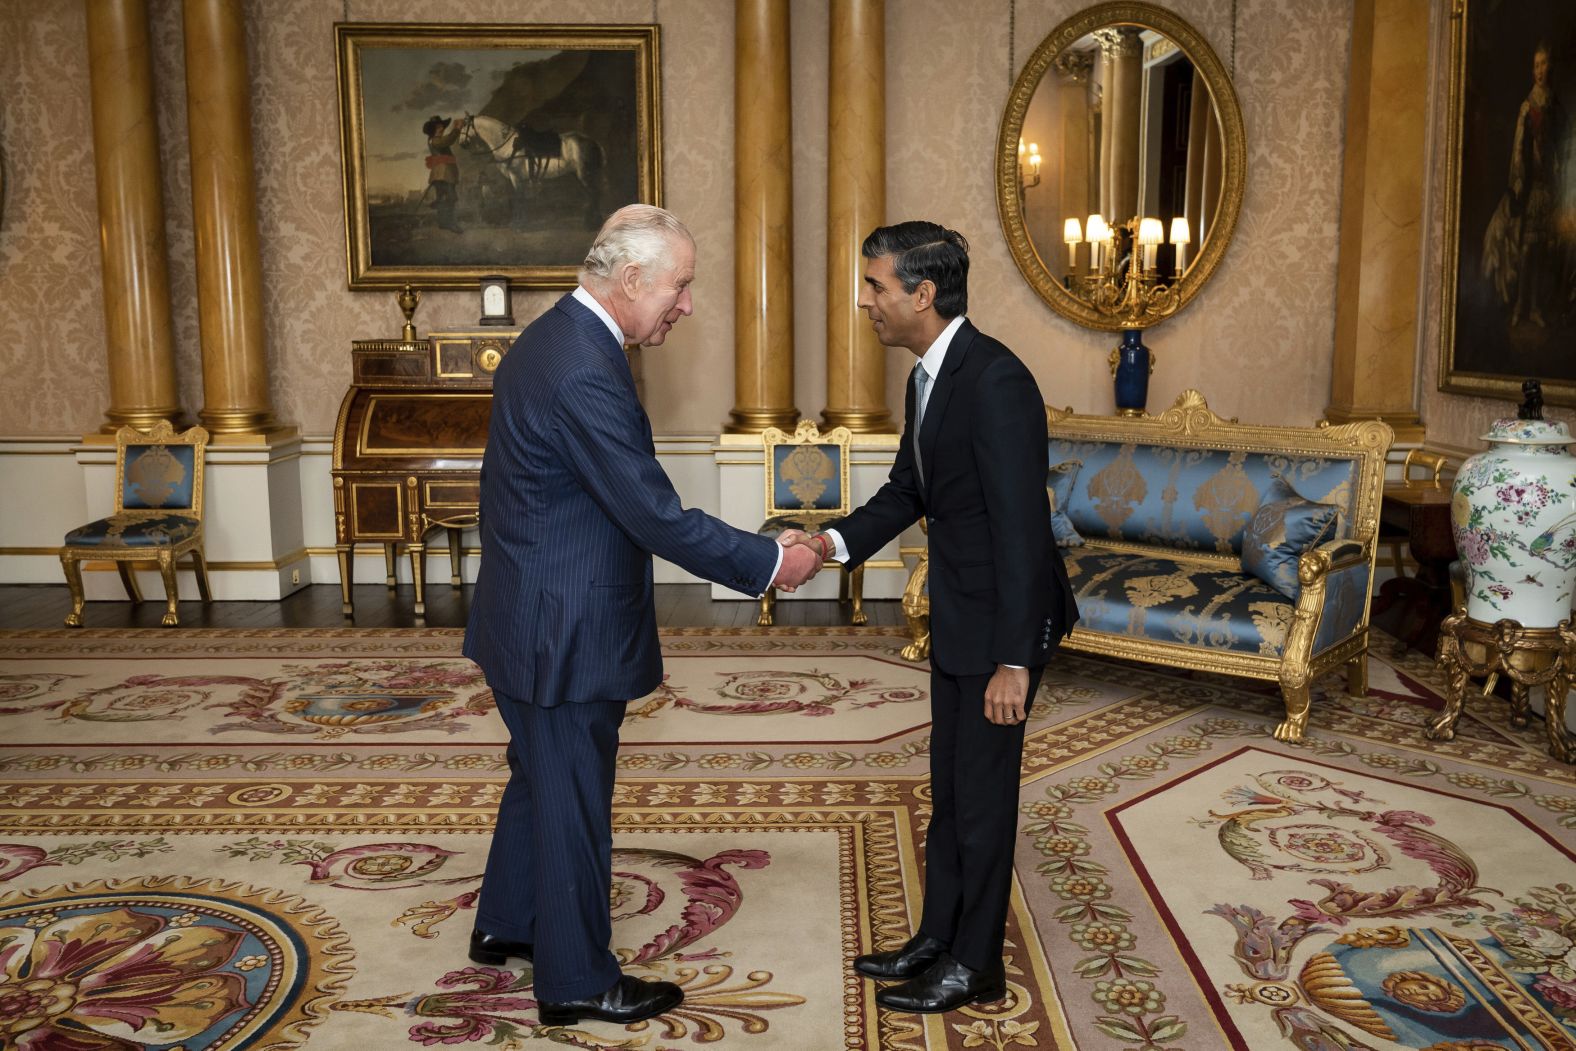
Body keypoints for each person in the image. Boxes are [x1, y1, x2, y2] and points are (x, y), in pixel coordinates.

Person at [463, 204, 821, 1025]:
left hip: (529, 609)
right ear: (630, 281)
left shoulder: (556, 335)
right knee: (572, 799)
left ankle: (509, 922)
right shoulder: (584, 366)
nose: (687, 304)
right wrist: (771, 560)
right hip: (562, 627)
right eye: (681, 285)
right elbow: (654, 514)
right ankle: (578, 980)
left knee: (538, 776)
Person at [788, 221, 1078, 1014]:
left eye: (876, 285)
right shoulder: (927, 375)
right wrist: (831, 541)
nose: (865, 300)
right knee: (952, 792)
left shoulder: (996, 381)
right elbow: (910, 491)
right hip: (962, 616)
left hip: (1001, 631)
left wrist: (1016, 659)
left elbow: (1024, 528)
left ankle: (975, 963)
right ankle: (937, 938)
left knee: (983, 802)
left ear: (923, 293)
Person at [423, 114, 465, 233]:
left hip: (441, 174)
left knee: (442, 198)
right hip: (444, 174)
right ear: (434, 130)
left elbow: (446, 139)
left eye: (442, 126)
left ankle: (443, 223)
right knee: (450, 198)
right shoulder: (436, 141)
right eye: (439, 127)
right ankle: (450, 224)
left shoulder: (434, 140)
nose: (442, 129)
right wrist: (457, 128)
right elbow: (449, 139)